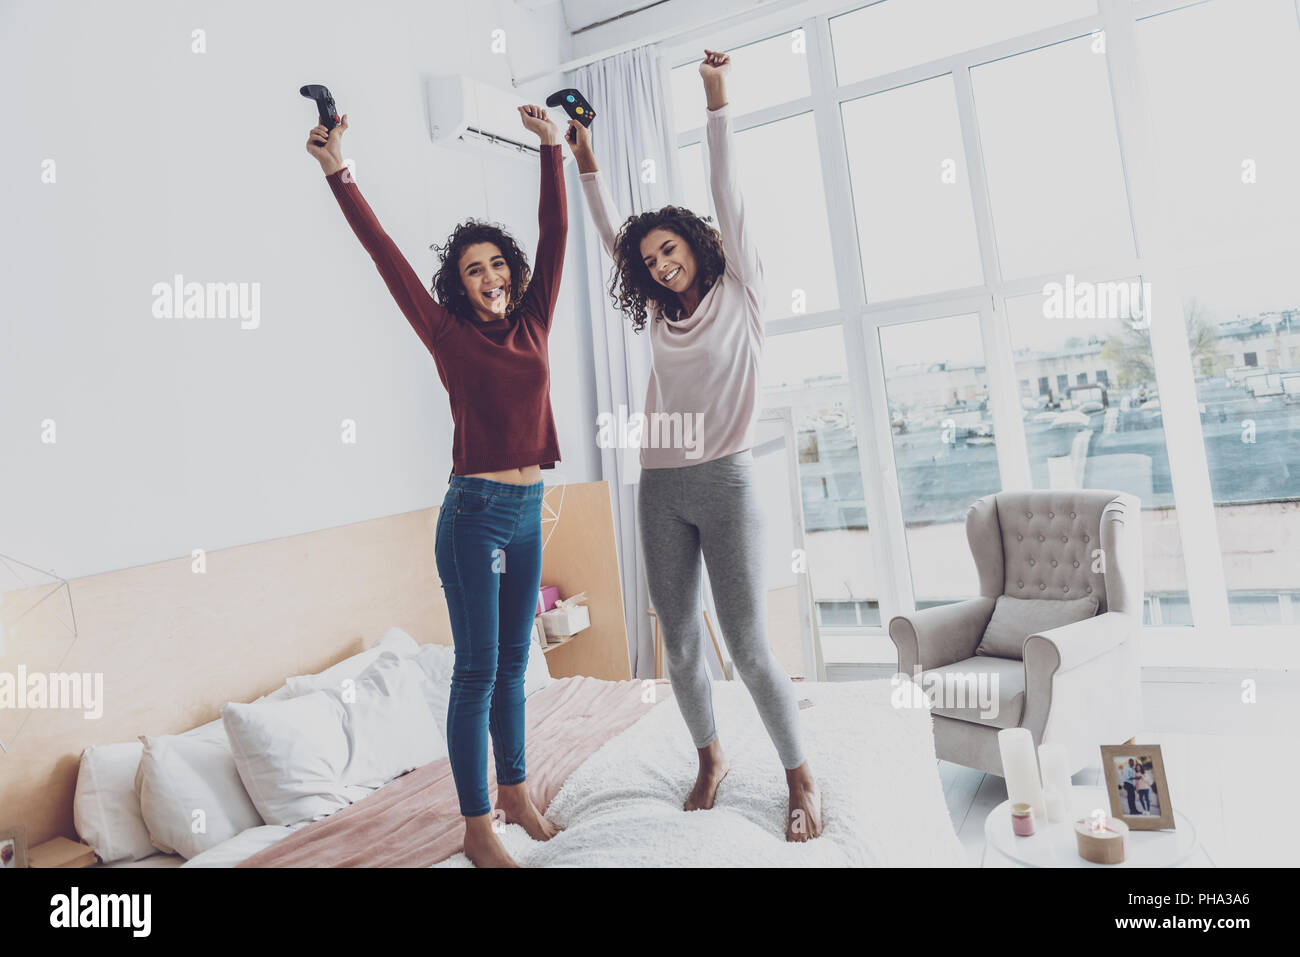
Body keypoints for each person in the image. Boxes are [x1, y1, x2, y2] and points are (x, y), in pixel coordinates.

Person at [307, 103, 571, 868]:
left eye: (497, 265)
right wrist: (338, 170)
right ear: (458, 286)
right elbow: (383, 253)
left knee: (515, 665)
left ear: (514, 274)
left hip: (528, 512)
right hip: (474, 518)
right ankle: (476, 821)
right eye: (473, 270)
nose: (489, 278)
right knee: (478, 670)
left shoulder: (536, 320)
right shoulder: (447, 334)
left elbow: (556, 236)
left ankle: (516, 791)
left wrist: (550, 148)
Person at [568, 49, 822, 842]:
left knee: (747, 647)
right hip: (660, 486)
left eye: (669, 249)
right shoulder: (660, 315)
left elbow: (726, 191)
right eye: (650, 261)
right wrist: (585, 162)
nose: (660, 263)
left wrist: (715, 99)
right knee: (676, 642)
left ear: (696, 244)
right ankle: (709, 756)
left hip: (726, 481)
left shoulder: (742, 291)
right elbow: (612, 235)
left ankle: (800, 775)